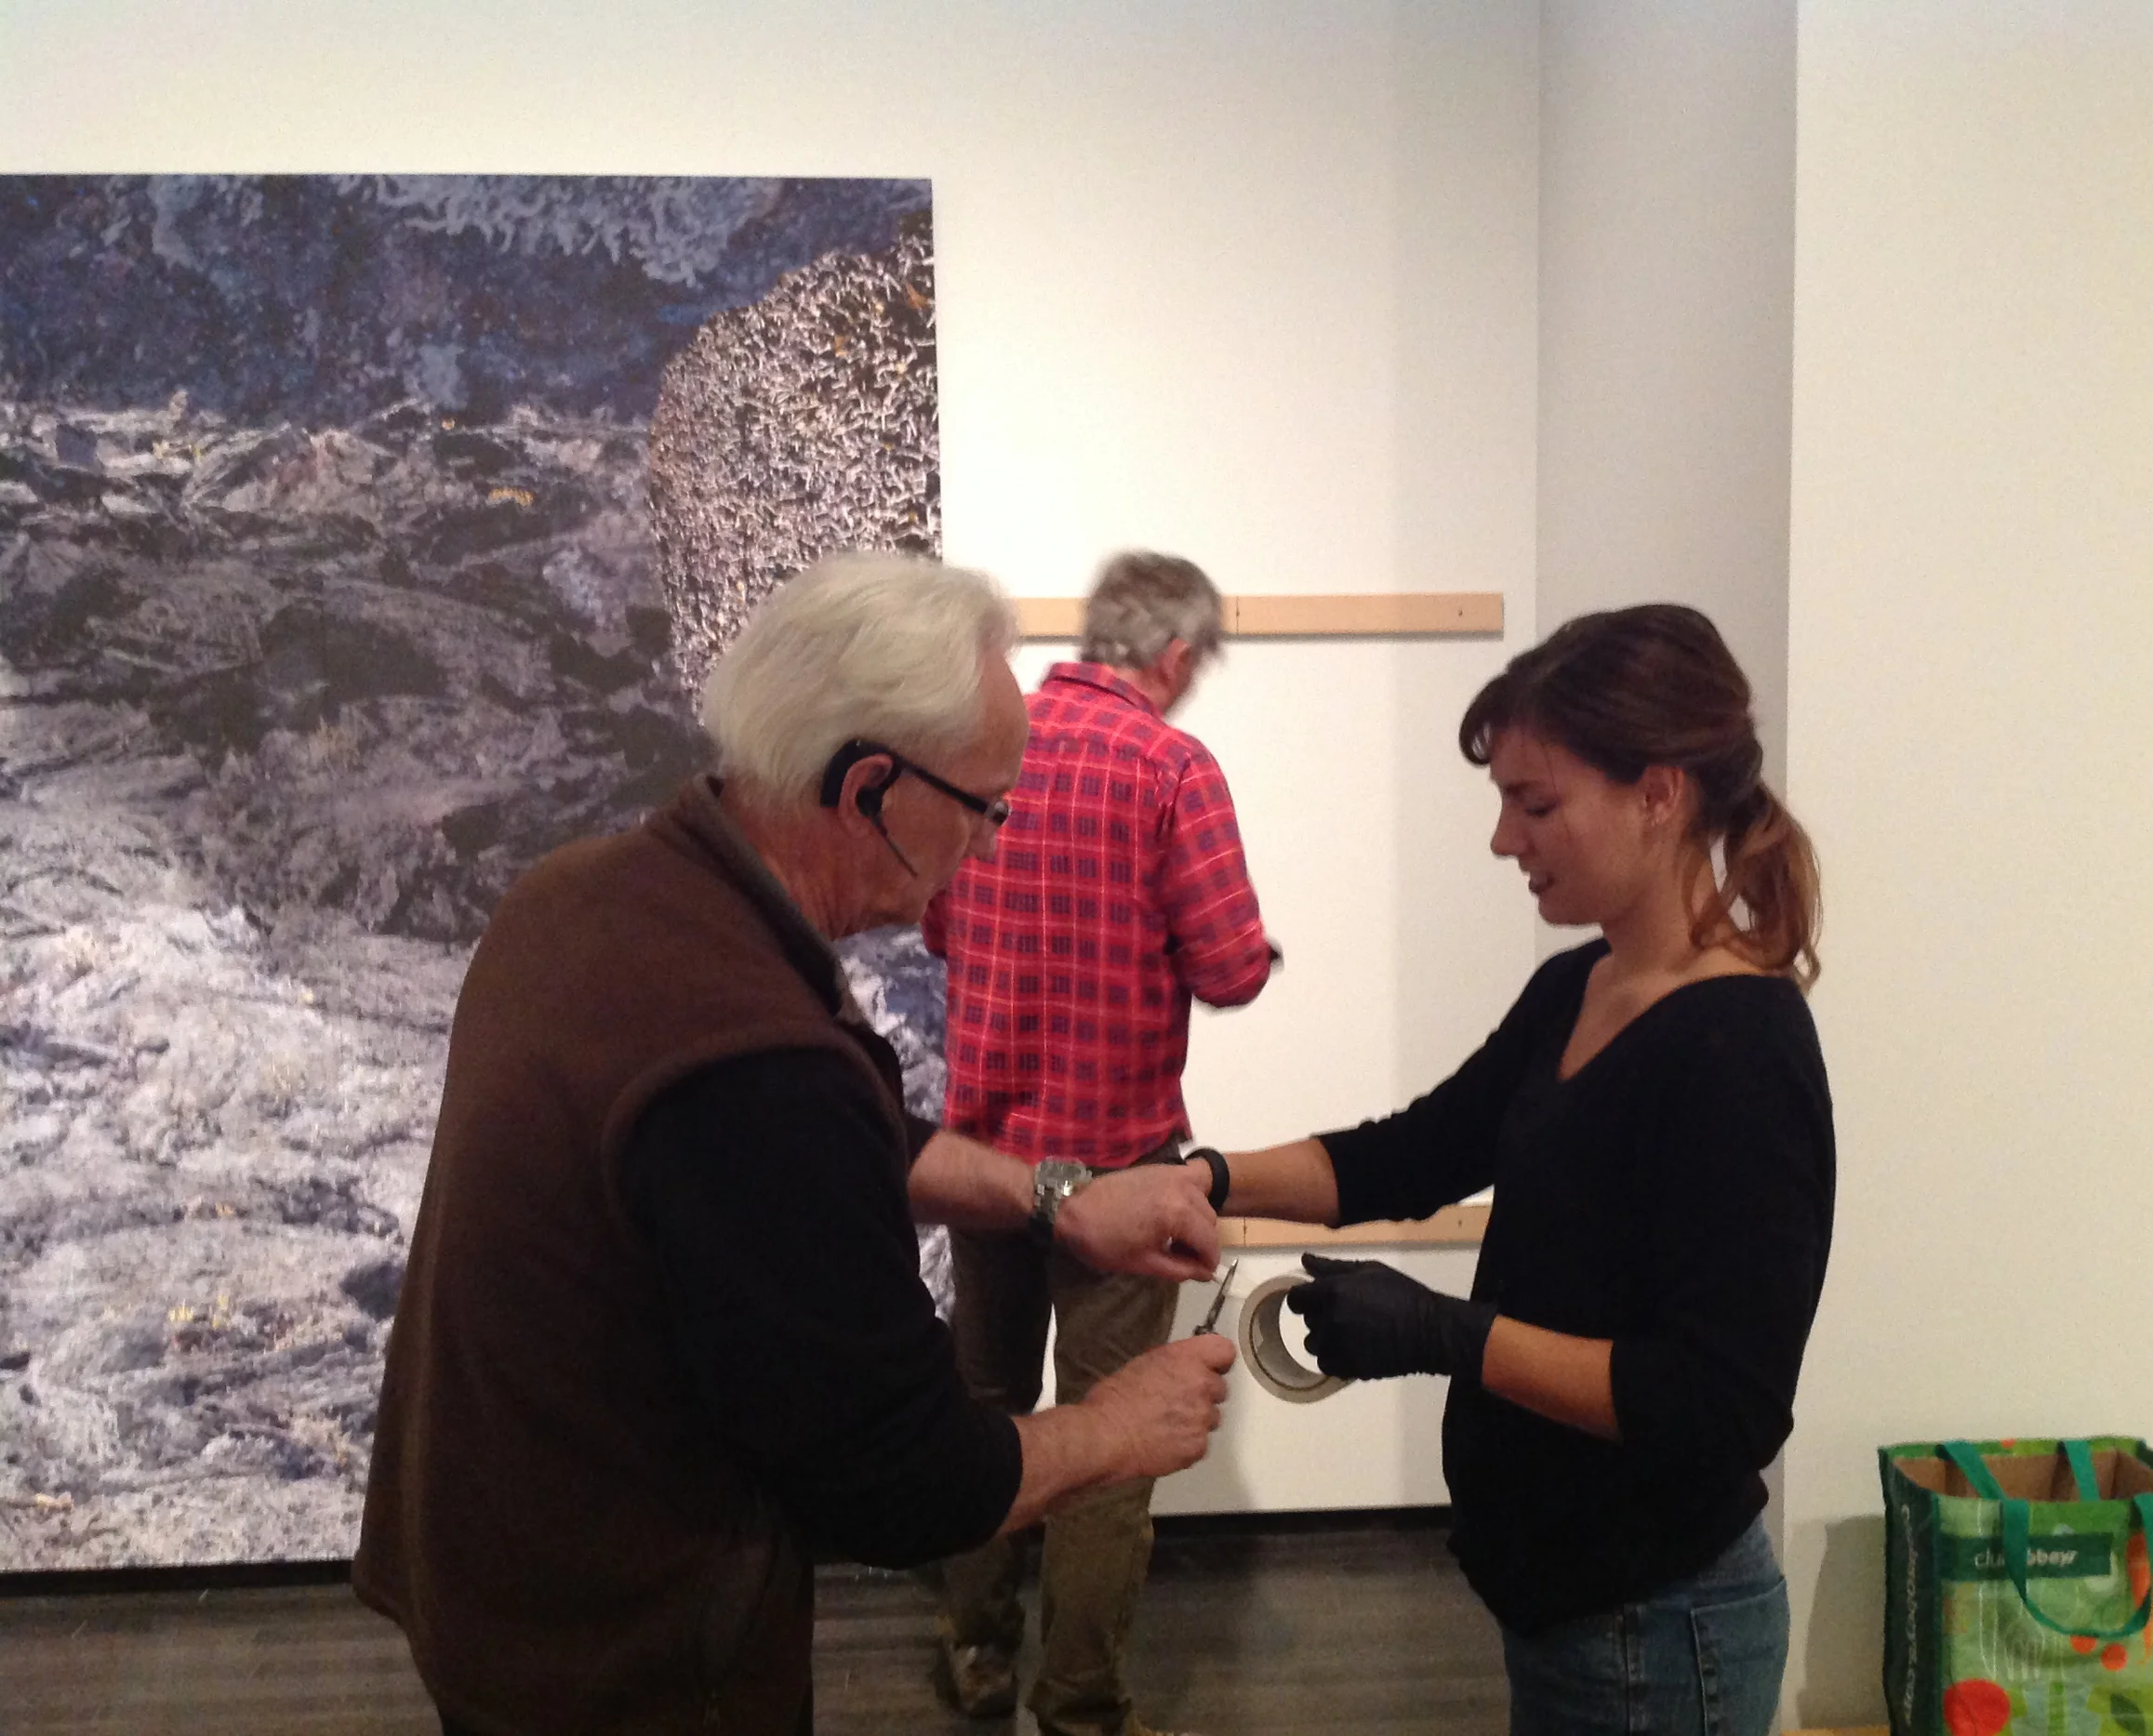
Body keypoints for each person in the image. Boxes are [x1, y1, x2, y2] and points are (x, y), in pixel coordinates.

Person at [353, 553, 1239, 1736]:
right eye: (985, 805)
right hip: (629, 1657)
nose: (989, 844)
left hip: (494, 1581)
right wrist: (1126, 1427)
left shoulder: (581, 896)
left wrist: (1055, 1198)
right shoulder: (756, 1059)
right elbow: (906, 1481)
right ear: (871, 783)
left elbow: (847, 1138)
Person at [1203, 604, 1834, 1736]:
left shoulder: (1740, 1049)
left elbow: (1715, 1404)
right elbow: (1411, 1152)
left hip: (1653, 1621)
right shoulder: (1575, 990)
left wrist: (1446, 1335)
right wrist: (1201, 1180)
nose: (1504, 840)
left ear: (1659, 791)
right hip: (1573, 1607)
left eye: (1535, 804)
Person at [921, 551, 1274, 1736]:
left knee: (980, 1404)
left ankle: (974, 1651)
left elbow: (931, 916)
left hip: (985, 1164)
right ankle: (1075, 1702)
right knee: (1109, 1437)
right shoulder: (1172, 767)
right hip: (1119, 1169)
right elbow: (1227, 966)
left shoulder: (990, 743)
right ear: (1173, 656)